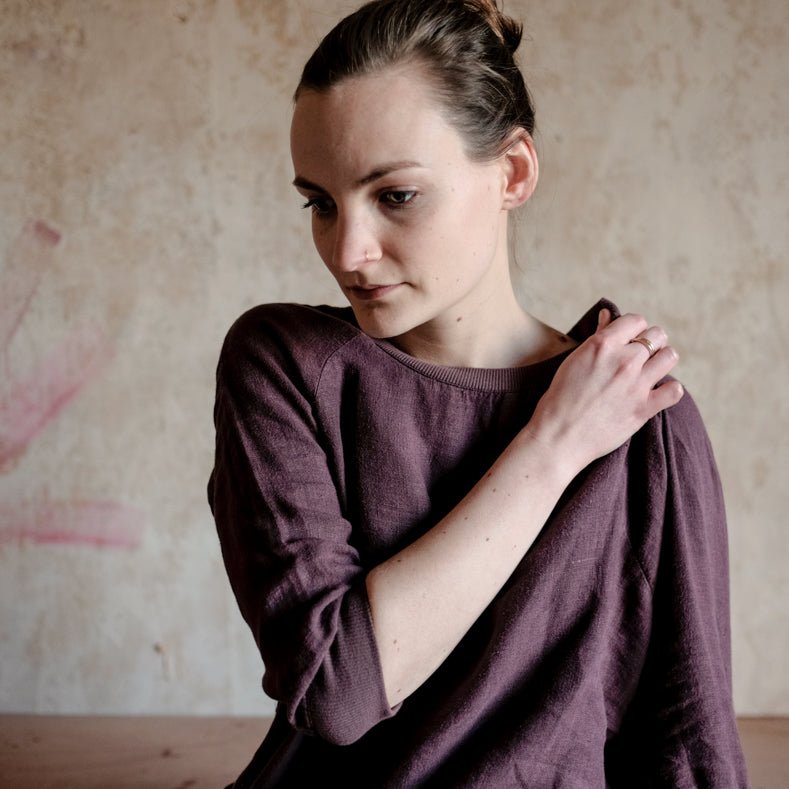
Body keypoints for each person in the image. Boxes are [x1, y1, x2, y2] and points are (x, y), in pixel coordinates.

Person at [208, 1, 748, 786]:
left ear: (513, 172)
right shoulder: (284, 364)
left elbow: (687, 731)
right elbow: (334, 690)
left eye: (395, 195)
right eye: (320, 203)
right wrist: (551, 446)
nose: (348, 251)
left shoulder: (638, 409)